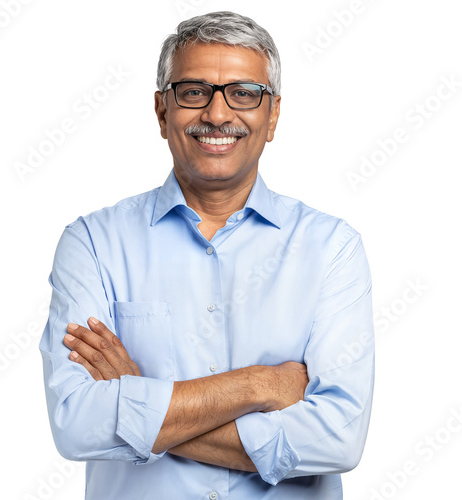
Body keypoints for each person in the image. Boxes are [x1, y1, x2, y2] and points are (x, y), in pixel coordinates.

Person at [40, 11, 374, 499]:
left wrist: (140, 398)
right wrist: (258, 385)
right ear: (162, 111)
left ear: (273, 115)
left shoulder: (332, 249)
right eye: (194, 91)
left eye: (243, 93)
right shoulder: (92, 243)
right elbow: (78, 423)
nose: (218, 115)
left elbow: (339, 438)